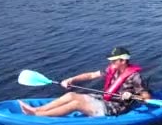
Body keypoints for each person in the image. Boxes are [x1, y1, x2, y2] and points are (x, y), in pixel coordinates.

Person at [19, 47, 151, 117]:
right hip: (105, 100)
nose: (110, 62)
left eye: (113, 60)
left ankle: (39, 115)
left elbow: (146, 97)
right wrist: (71, 79)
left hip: (115, 108)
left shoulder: (135, 76)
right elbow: (91, 75)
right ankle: (37, 109)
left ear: (123, 61)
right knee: (71, 95)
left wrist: (132, 96)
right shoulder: (112, 69)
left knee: (75, 104)